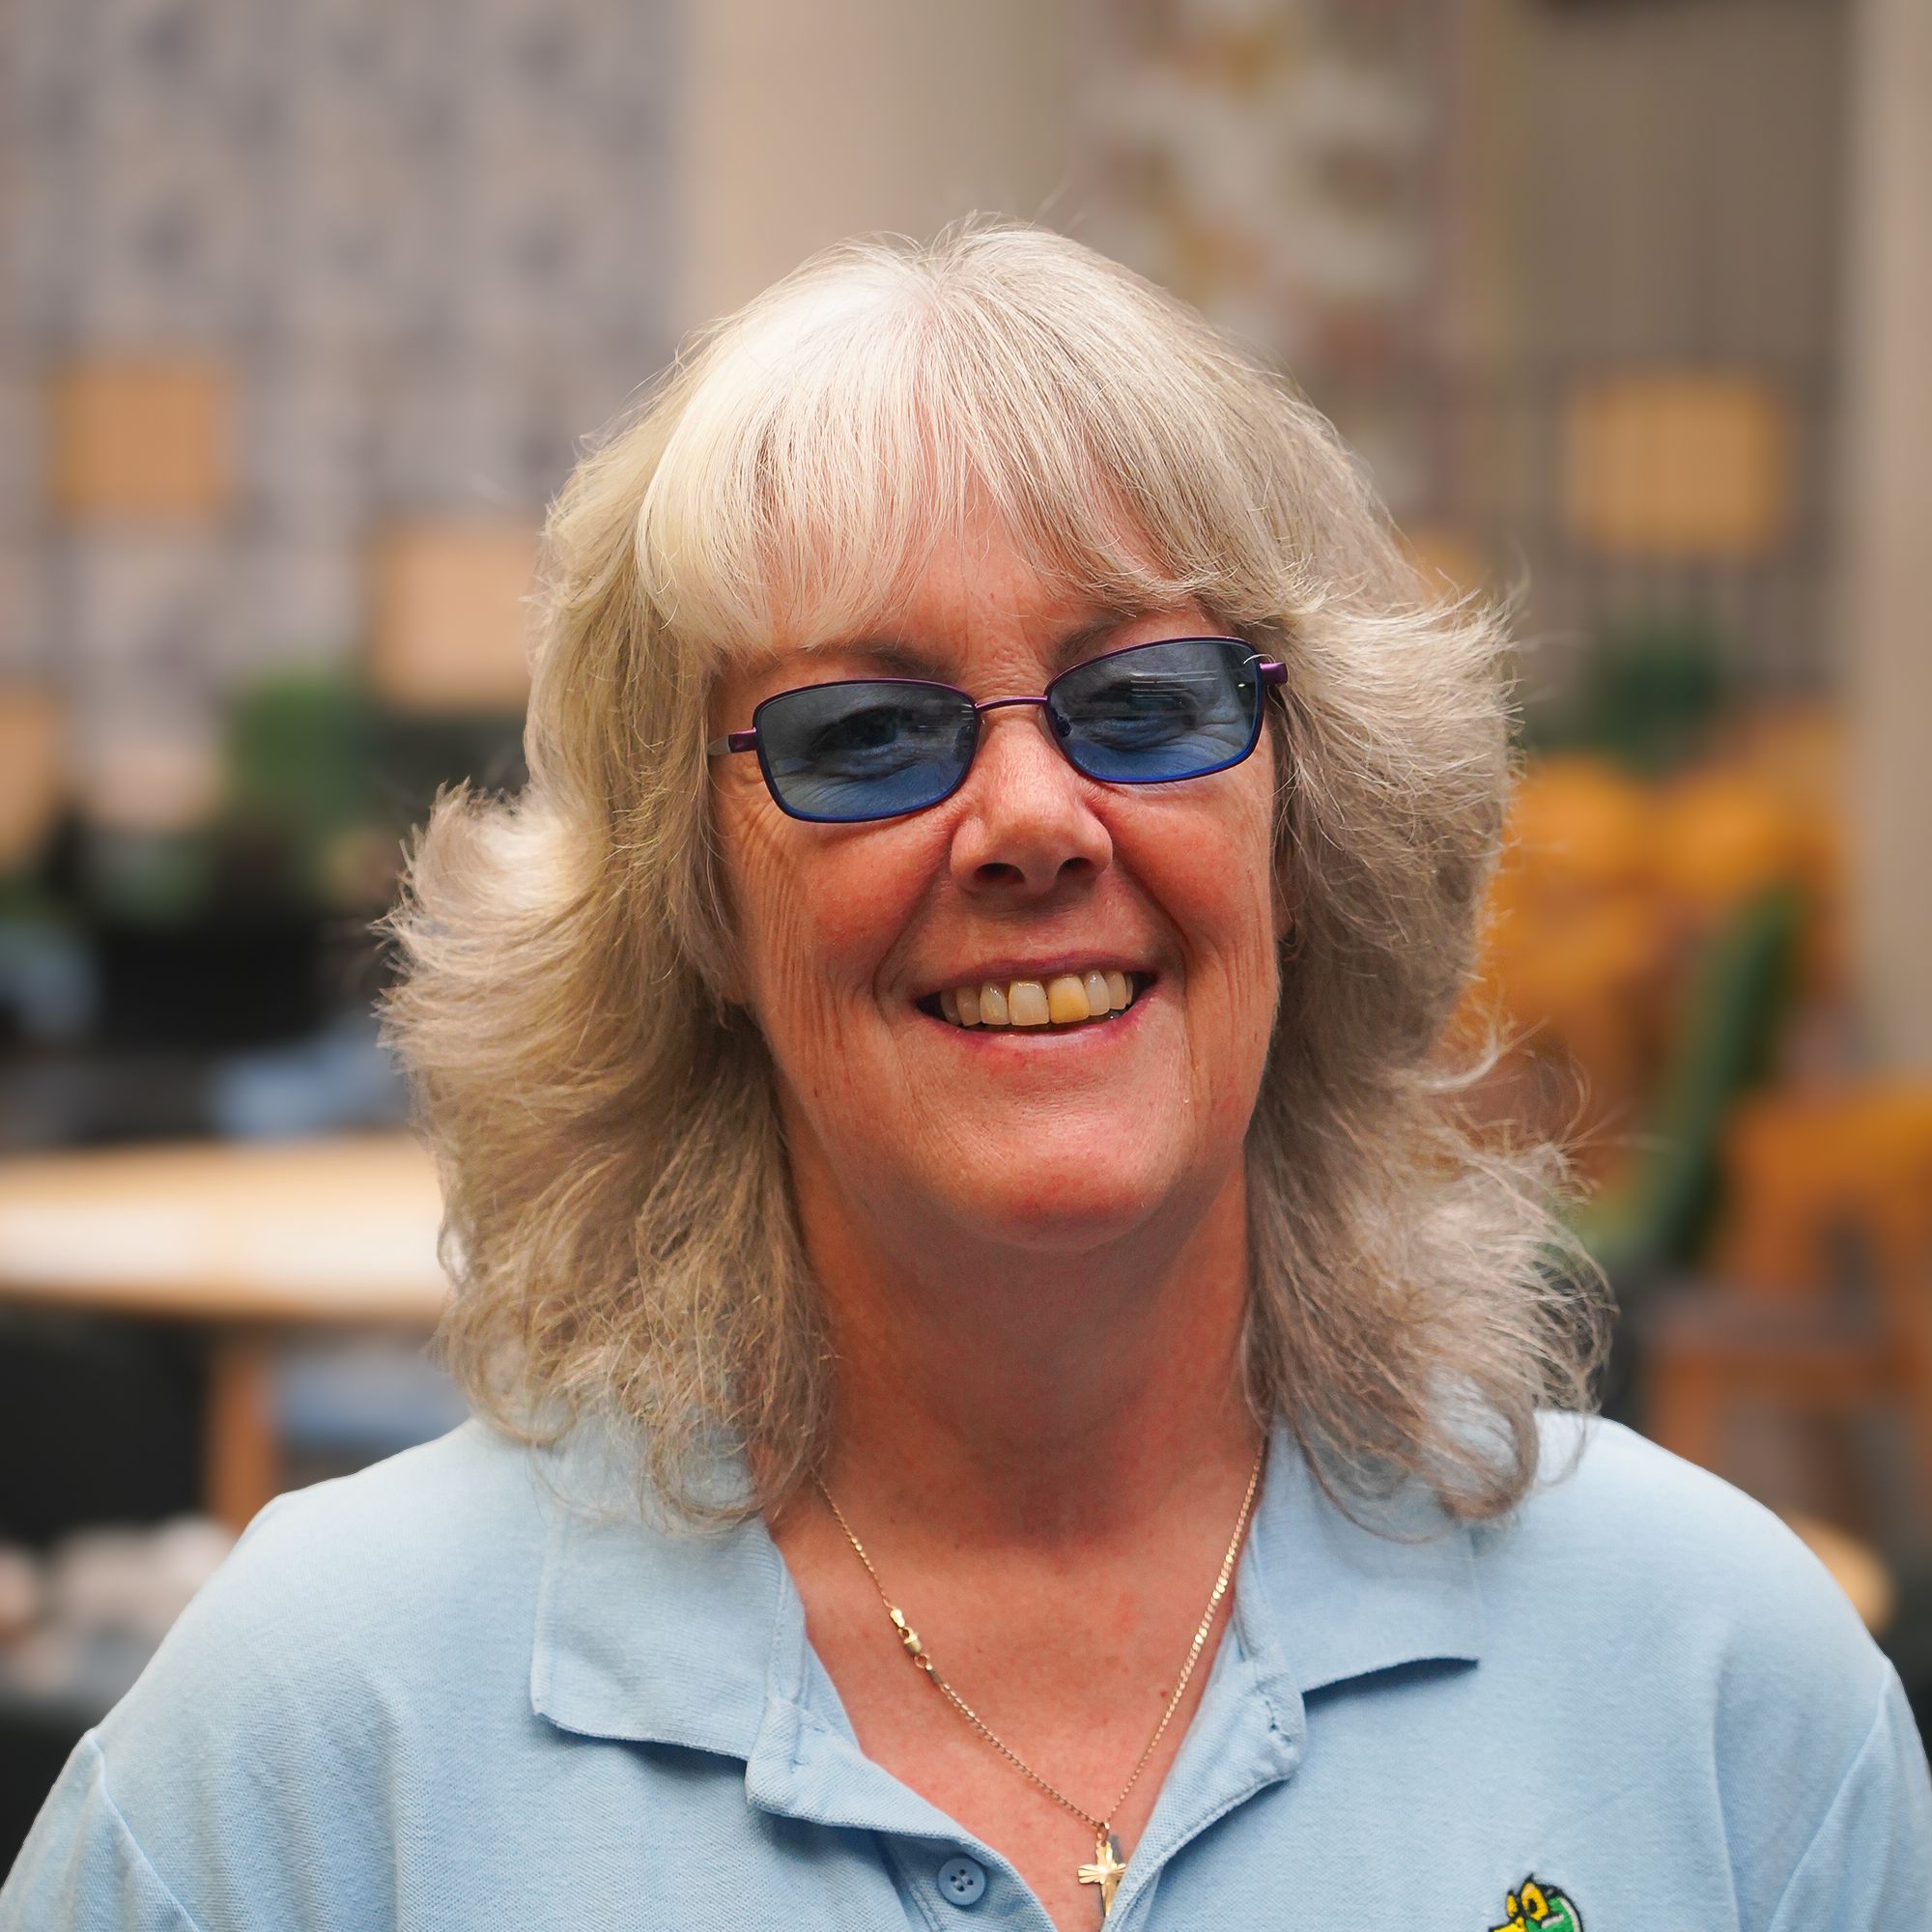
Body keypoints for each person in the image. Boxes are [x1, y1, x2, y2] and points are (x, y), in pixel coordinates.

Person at [4, 222, 1926, 1932]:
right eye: (867, 733)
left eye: (1146, 702)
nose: (1029, 816)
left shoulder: (1718, 1687)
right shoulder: (334, 1731)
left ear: (1302, 830)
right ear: (693, 910)